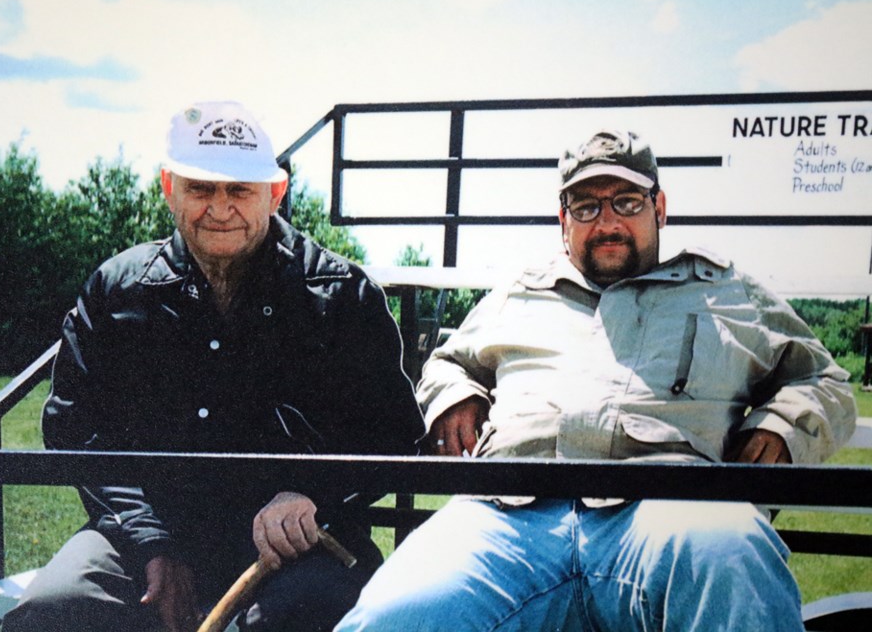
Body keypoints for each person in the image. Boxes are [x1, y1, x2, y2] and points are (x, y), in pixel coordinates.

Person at [336, 129, 857, 631]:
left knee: (730, 556)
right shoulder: (520, 293)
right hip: (505, 519)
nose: (607, 221)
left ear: (661, 208)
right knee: (395, 610)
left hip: (669, 512)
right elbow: (449, 362)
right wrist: (456, 395)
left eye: (627, 201)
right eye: (587, 207)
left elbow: (825, 381)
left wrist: (783, 425)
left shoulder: (727, 292)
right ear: (563, 221)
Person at [2, 101, 425, 632]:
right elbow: (75, 429)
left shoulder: (340, 296)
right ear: (168, 188)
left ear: (275, 193)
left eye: (239, 191)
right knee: (56, 607)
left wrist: (310, 492)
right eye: (201, 189)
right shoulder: (116, 291)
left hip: (303, 548)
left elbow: (393, 431)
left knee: (316, 610)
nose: (220, 209)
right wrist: (151, 541)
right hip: (140, 536)